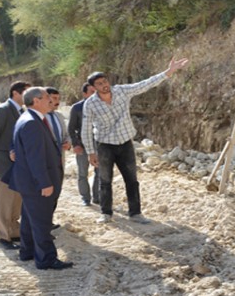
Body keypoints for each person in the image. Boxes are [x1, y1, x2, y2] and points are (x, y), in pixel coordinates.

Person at [81, 56, 189, 224]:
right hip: (104, 146)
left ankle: (135, 213)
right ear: (93, 88)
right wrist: (90, 152)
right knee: (105, 180)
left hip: (125, 143)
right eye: (99, 84)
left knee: (131, 179)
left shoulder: (122, 91)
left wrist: (168, 72)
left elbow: (144, 85)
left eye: (104, 81)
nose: (104, 85)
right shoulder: (90, 104)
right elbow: (86, 129)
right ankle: (106, 213)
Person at [3, 87, 72, 270]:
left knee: (29, 218)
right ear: (36, 101)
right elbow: (35, 158)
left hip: (29, 182)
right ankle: (46, 259)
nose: (51, 100)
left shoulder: (30, 118)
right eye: (46, 97)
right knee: (42, 222)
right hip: (36, 183)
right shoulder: (32, 122)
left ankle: (27, 252)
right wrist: (45, 183)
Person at [0, 81, 30, 250]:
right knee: (5, 200)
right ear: (15, 93)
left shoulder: (22, 111)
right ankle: (1, 235)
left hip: (18, 164)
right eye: (26, 92)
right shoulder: (2, 111)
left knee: (17, 199)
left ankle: (13, 231)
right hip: (3, 163)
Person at [67, 83, 100, 206]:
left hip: (99, 144)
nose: (95, 94)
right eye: (92, 92)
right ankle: (85, 198)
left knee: (100, 172)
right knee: (83, 173)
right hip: (82, 145)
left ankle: (97, 197)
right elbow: (71, 129)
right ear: (84, 94)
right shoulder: (77, 108)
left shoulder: (101, 106)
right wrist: (75, 144)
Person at [46, 87, 71, 229]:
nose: (57, 102)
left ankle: (48, 221)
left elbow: (66, 135)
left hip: (60, 161)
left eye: (58, 98)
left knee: (56, 191)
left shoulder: (59, 117)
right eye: (54, 98)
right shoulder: (39, 118)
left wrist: (68, 143)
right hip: (45, 162)